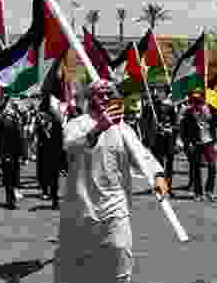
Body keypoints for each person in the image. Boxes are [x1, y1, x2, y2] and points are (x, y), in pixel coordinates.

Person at [54, 79, 168, 283]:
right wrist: (98, 128)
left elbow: (142, 156)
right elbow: (71, 146)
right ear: (89, 99)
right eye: (100, 94)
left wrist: (157, 175)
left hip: (115, 204)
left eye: (109, 94)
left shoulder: (123, 129)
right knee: (74, 266)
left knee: (120, 249)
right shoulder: (76, 124)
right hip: (82, 207)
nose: (106, 98)